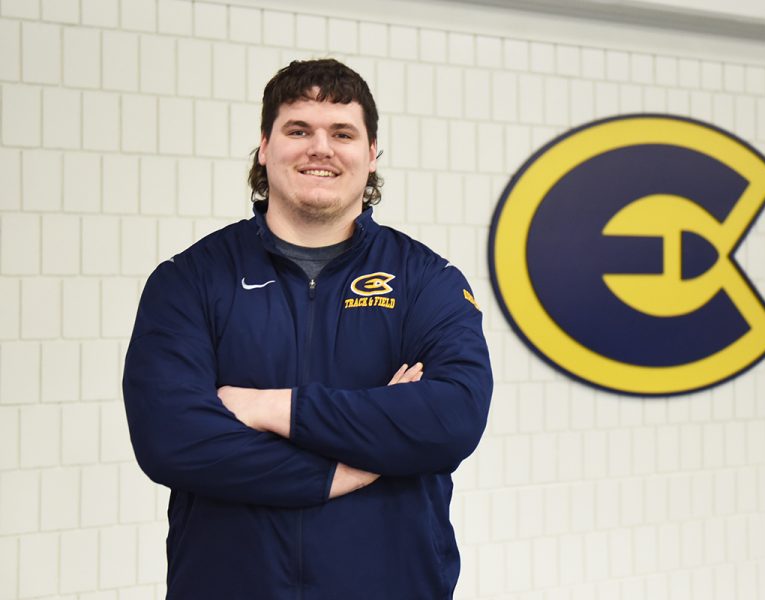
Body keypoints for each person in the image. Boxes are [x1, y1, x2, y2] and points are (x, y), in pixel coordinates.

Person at [122, 59, 492, 599]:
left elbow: (452, 417)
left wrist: (272, 408)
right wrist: (343, 470)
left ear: (370, 156)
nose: (321, 147)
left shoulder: (426, 280)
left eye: (342, 133)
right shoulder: (189, 281)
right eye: (298, 130)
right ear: (265, 148)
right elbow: (170, 439)